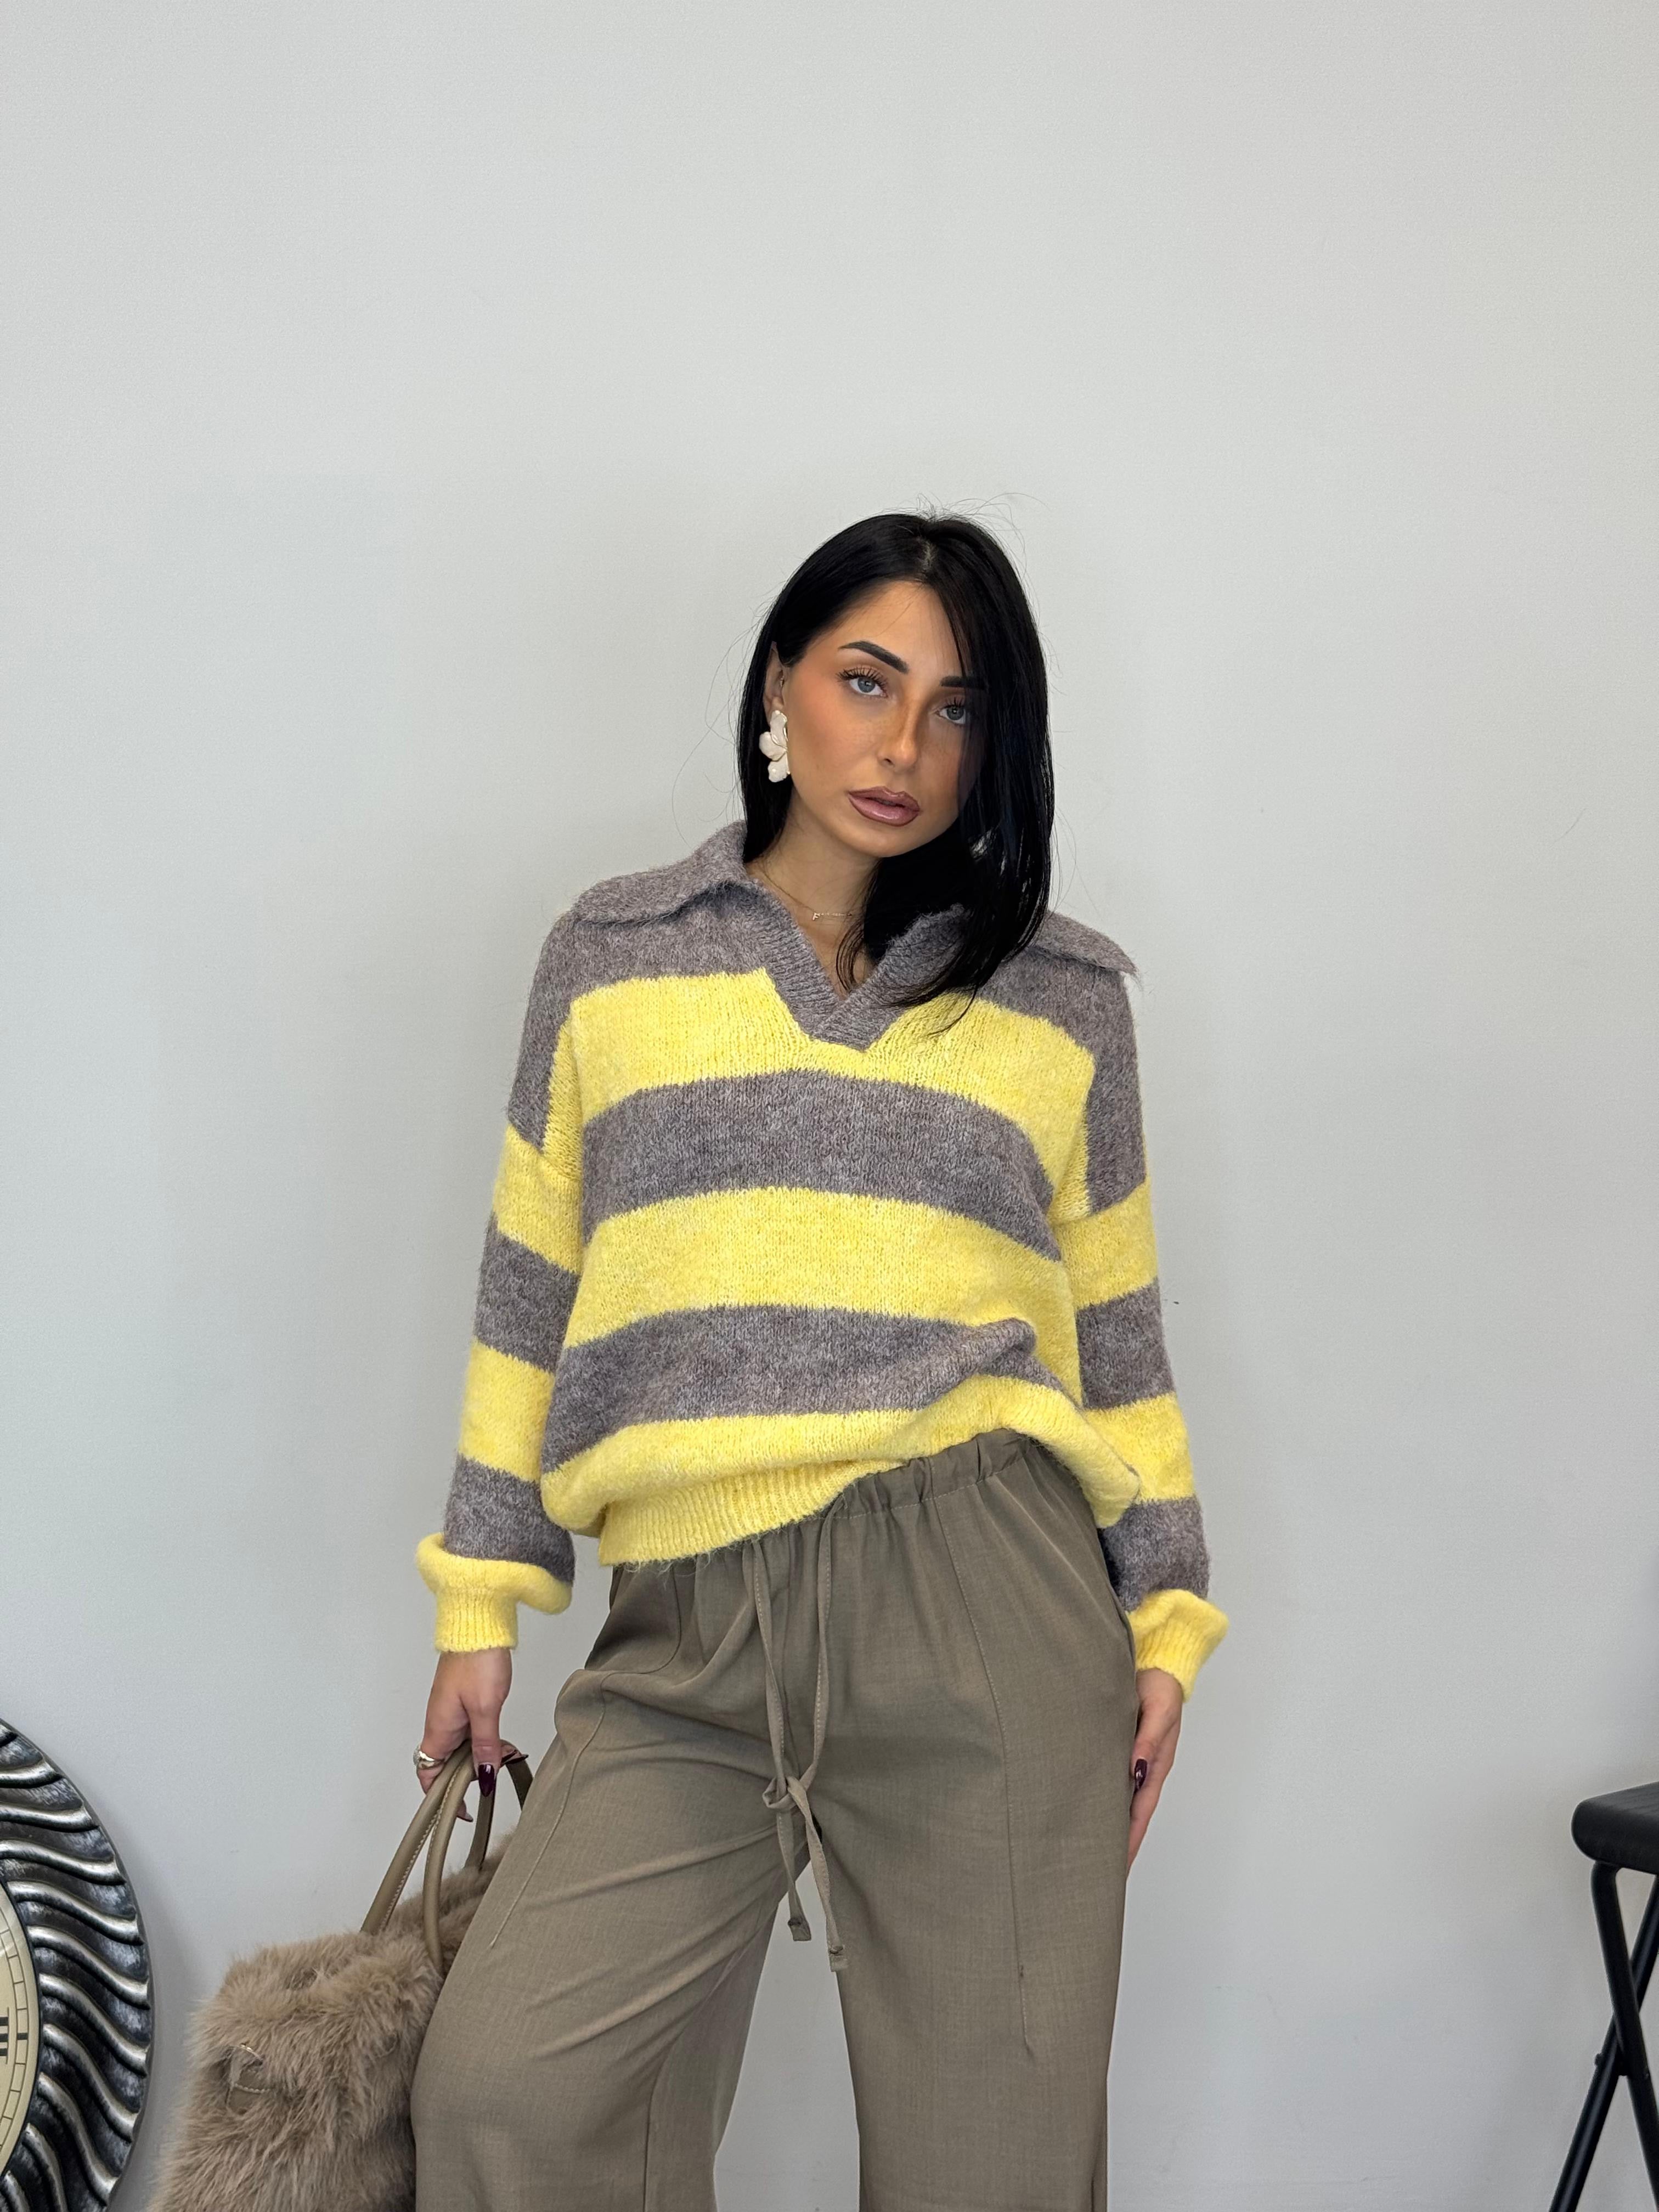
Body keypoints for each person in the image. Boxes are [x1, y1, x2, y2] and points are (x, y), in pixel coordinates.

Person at [407, 511, 1228, 2210]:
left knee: (990, 2174)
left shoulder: (1064, 996)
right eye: (867, 681)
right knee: (509, 2094)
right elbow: (529, 1292)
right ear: (782, 681)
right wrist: (480, 1600)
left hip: (986, 1597)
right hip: (690, 1630)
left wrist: (1166, 1614)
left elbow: (1120, 1338)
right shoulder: (613, 956)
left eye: (957, 708)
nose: (906, 744)